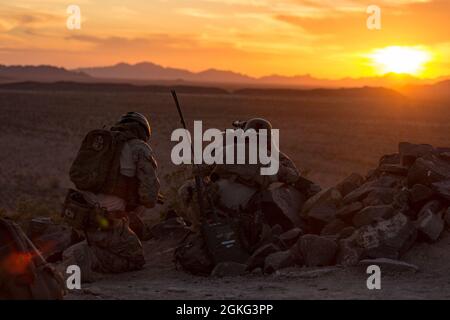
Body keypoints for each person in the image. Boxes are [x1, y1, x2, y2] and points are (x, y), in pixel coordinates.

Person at [63, 112, 160, 280]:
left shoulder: (102, 143)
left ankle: (88, 241)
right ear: (143, 131)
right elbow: (150, 196)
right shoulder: (138, 147)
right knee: (135, 258)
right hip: (107, 220)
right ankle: (87, 256)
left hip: (81, 214)